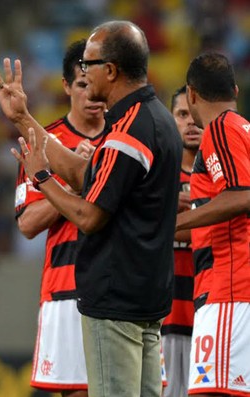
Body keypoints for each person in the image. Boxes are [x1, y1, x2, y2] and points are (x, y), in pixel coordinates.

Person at [0, 20, 183, 397]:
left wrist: (43, 177)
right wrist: (23, 119)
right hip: (146, 297)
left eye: (89, 64)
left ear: (110, 70)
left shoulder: (126, 131)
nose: (84, 71)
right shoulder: (156, 119)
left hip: (115, 299)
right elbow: (84, 174)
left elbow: (90, 216)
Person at [15, 39, 105, 396]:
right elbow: (27, 223)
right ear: (67, 86)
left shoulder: (126, 138)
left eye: (96, 83)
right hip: (67, 288)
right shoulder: (44, 141)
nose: (92, 93)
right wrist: (76, 182)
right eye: (82, 84)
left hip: (123, 284)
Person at [175, 52, 250, 396]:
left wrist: (169, 225)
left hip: (229, 291)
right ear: (234, 89)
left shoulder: (219, 129)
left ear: (191, 95)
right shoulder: (243, 130)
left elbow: (240, 196)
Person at [161, 85, 203, 397]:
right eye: (182, 114)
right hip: (162, 319)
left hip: (207, 317)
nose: (190, 122)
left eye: (195, 114)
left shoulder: (225, 178)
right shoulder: (155, 175)